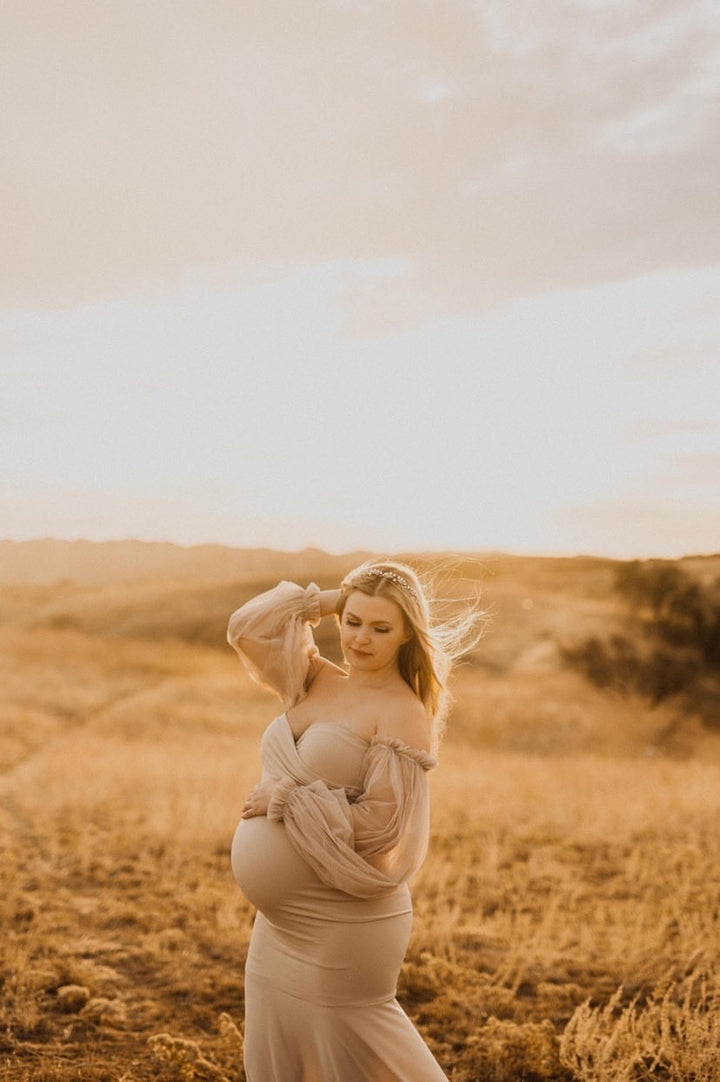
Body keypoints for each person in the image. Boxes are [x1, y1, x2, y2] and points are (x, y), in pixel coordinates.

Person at [227, 558, 481, 1081]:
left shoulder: (402, 711)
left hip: (341, 926)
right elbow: (246, 630)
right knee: (280, 1054)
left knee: (360, 1061)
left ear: (407, 634)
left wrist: (287, 798)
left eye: (381, 628)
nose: (361, 639)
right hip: (278, 927)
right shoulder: (314, 677)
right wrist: (325, 601)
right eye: (353, 622)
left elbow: (383, 826)